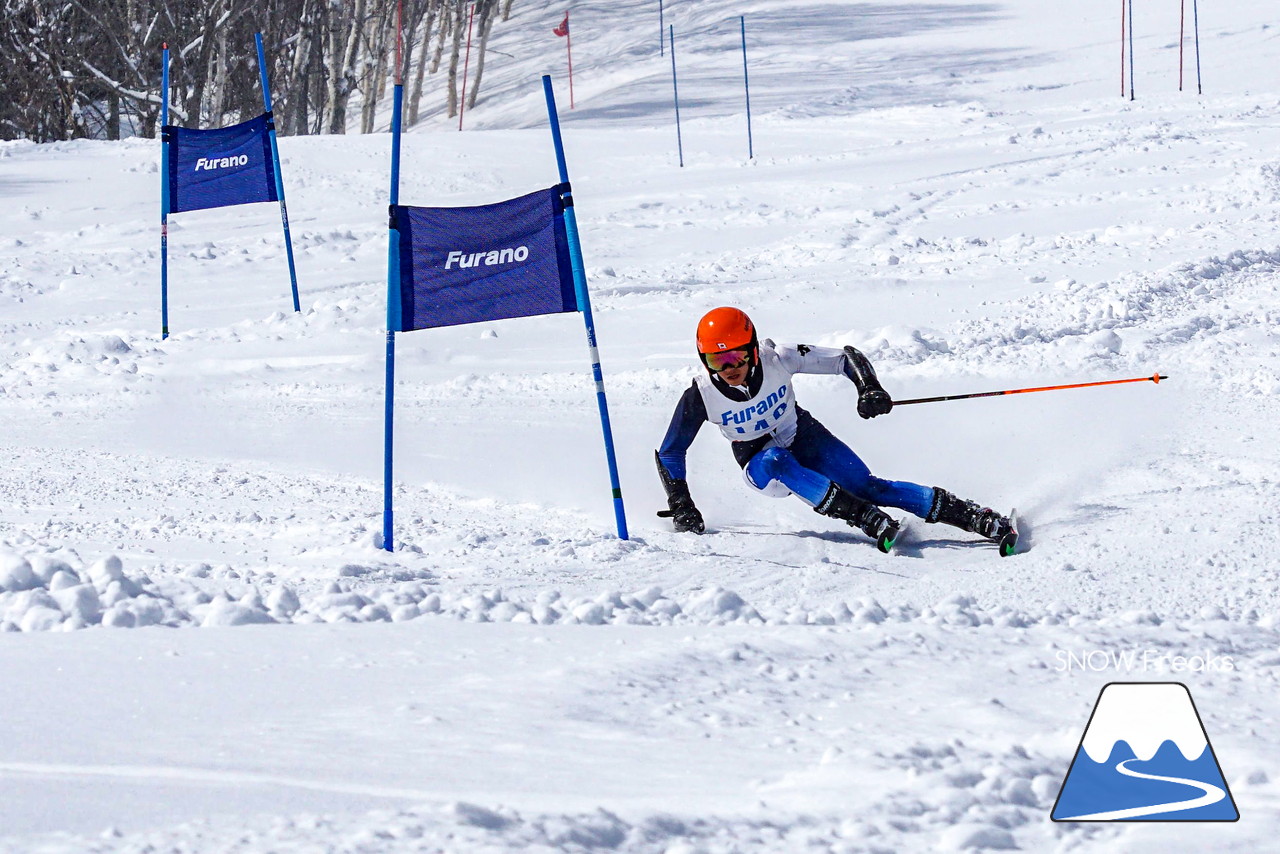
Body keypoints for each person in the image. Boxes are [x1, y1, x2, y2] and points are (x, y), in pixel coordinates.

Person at [655, 306, 1015, 553]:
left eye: (738, 356)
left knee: (868, 486)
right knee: (778, 459)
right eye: (718, 360)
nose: (730, 367)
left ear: (752, 349)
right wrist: (680, 501)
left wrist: (868, 387)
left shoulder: (779, 356)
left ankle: (972, 516)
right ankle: (862, 517)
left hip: (803, 434)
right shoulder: (700, 394)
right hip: (760, 464)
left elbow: (845, 357)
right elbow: (671, 449)